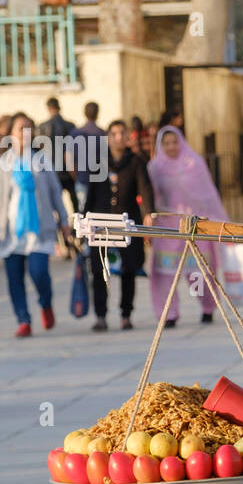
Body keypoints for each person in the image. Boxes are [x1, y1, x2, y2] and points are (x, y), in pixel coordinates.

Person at [0, 112, 73, 338]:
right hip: (9, 231)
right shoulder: (0, 165)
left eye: (29, 129)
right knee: (14, 277)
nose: (25, 133)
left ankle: (45, 303)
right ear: (10, 134)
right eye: (21, 129)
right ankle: (23, 319)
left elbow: (55, 192)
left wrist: (64, 221)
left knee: (39, 273)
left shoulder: (42, 161)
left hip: (38, 229)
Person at [147, 125, 227, 327]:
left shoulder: (194, 163)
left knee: (198, 273)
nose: (171, 147)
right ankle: (169, 313)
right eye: (166, 143)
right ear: (160, 145)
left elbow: (207, 194)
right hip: (167, 227)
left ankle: (207, 307)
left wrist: (215, 220)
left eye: (174, 142)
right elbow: (150, 196)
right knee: (165, 274)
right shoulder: (155, 167)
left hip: (194, 226)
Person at [84, 120, 156, 331]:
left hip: (126, 222)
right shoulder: (99, 162)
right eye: (113, 133)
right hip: (100, 222)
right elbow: (91, 193)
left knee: (128, 269)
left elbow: (145, 189)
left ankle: (126, 314)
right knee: (99, 270)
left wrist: (148, 214)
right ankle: (100, 316)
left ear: (127, 137)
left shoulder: (136, 162)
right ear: (108, 137)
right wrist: (85, 219)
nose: (118, 137)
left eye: (122, 133)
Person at [37, 96, 78, 207]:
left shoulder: (42, 127)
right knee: (75, 202)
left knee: (53, 201)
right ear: (59, 107)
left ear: (48, 108)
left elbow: (39, 151)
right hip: (69, 170)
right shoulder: (70, 126)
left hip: (51, 169)